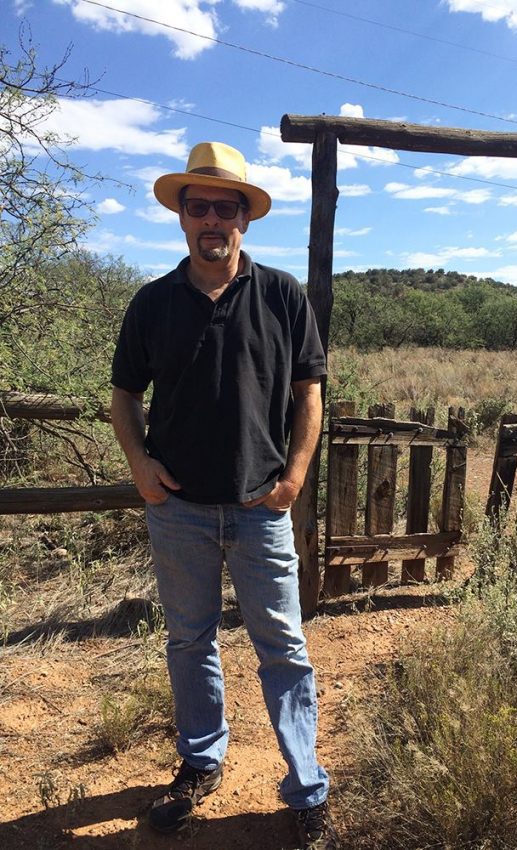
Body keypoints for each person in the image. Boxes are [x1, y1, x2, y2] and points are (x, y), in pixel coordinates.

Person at [110, 141, 337, 849]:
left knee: (284, 650)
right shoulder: (152, 303)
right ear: (182, 217)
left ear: (245, 217)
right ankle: (202, 761)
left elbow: (309, 392)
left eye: (225, 207)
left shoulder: (280, 296)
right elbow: (123, 395)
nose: (212, 219)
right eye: (198, 205)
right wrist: (141, 464)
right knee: (189, 640)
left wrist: (295, 475)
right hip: (176, 510)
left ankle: (304, 788)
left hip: (258, 509)